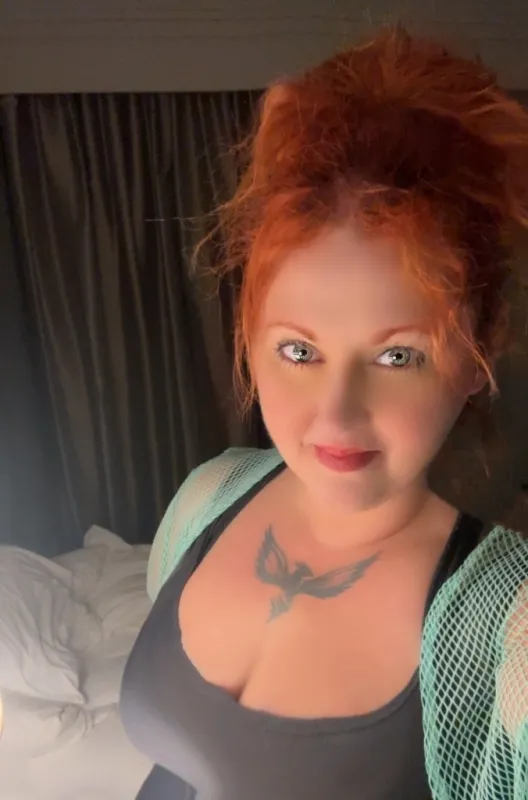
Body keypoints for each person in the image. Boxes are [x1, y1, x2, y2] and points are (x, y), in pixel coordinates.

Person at [120, 25, 528, 800]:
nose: (335, 416)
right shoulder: (208, 497)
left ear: (479, 352)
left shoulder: (507, 629)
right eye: (299, 350)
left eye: (397, 356)